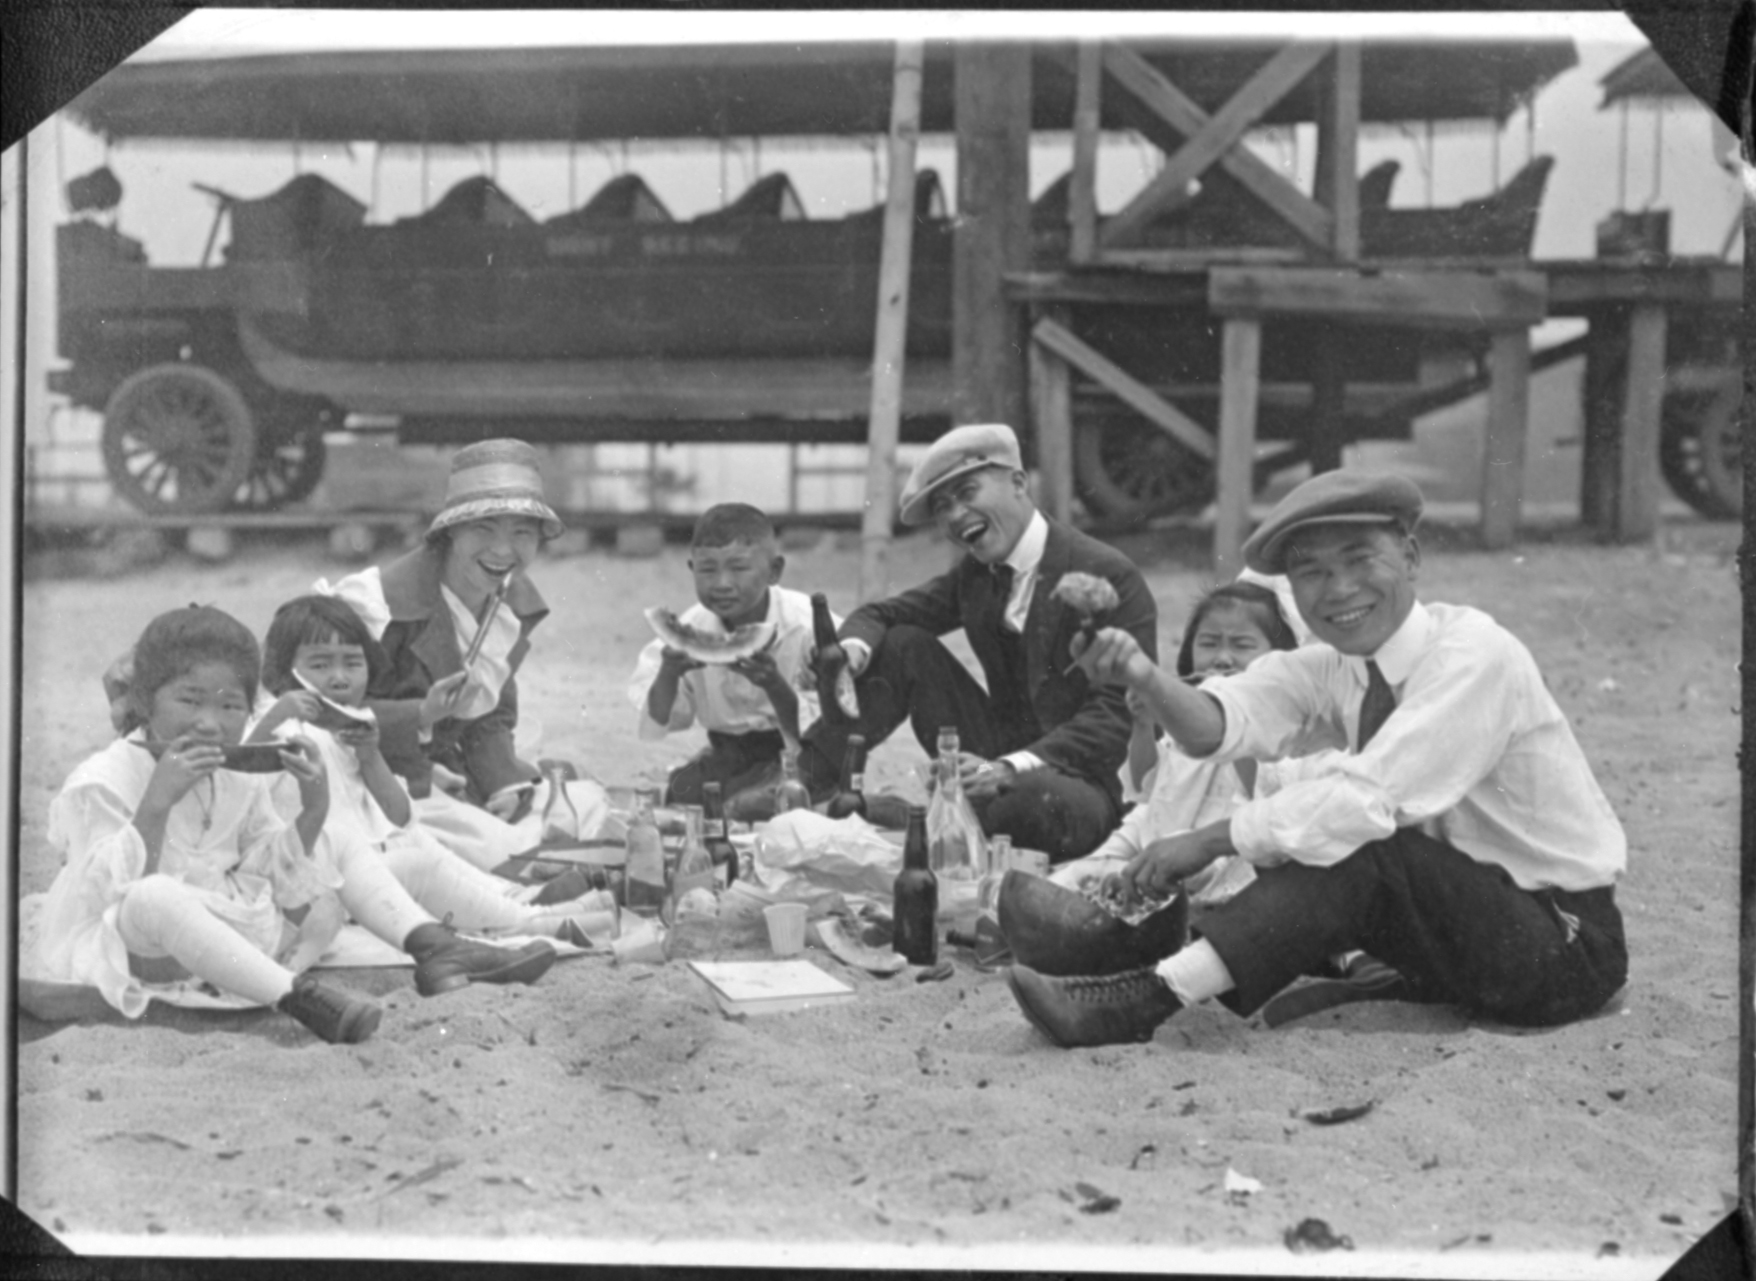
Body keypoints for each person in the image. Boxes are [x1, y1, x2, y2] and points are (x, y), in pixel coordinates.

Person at [1008, 470, 1629, 1046]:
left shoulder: (1474, 654)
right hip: (1457, 928)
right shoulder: (1339, 664)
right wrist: (1142, 675)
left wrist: (1211, 839)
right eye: (1311, 573)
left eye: (1360, 560)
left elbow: (1371, 798)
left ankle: (1146, 997)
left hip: (1564, 943)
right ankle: (1130, 962)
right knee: (1319, 831)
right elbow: (1224, 721)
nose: (1338, 591)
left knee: (1354, 836)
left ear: (1411, 558)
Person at [22, 606, 558, 1046]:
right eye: (188, 700)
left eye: (231, 705)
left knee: (336, 840)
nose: (211, 721)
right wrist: (157, 803)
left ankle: (435, 946)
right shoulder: (103, 777)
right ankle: (299, 998)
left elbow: (269, 874)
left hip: (232, 928)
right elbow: (102, 892)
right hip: (142, 945)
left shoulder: (233, 767)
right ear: (144, 699)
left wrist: (314, 805)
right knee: (153, 897)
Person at [802, 423, 1158, 860]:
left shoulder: (1105, 573)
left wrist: (1006, 768)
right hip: (989, 766)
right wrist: (850, 654)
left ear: (1019, 483)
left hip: (1075, 783)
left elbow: (1114, 719)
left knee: (1030, 803)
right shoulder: (977, 574)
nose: (954, 516)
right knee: (901, 644)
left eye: (967, 493)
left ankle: (920, 815)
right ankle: (807, 782)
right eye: (942, 507)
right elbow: (884, 614)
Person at [251, 594, 618, 948]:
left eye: (352, 663)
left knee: (420, 840)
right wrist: (280, 714)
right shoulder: (281, 726)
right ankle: (529, 919)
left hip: (374, 866)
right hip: (332, 886)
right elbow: (244, 766)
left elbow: (399, 817)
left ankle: (518, 900)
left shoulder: (349, 728)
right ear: (285, 672)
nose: (339, 678)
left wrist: (370, 756)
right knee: (419, 863)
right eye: (320, 665)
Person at [320, 438, 602, 872]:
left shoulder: (510, 603)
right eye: (484, 529)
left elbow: (491, 715)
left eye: (522, 533)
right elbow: (326, 710)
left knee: (588, 805)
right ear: (450, 530)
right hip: (377, 774)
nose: (504, 551)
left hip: (455, 779)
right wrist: (419, 721)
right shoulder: (375, 604)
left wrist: (503, 784)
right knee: (486, 850)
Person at [1052, 580, 1303, 913]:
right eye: (1209, 643)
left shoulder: (1282, 719)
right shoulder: (1182, 714)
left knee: (1174, 873)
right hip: (1158, 823)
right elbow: (1144, 788)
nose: (1223, 658)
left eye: (1242, 645)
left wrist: (1233, 718)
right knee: (1084, 870)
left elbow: (1261, 788)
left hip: (1226, 847)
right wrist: (1142, 725)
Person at [627, 503, 830, 817]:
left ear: (775, 570)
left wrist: (775, 685)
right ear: (692, 569)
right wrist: (668, 673)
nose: (722, 583)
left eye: (738, 568)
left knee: (749, 807)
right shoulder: (691, 626)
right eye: (708, 570)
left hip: (802, 754)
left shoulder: (807, 627)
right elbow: (655, 728)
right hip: (728, 753)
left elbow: (829, 725)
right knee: (681, 793)